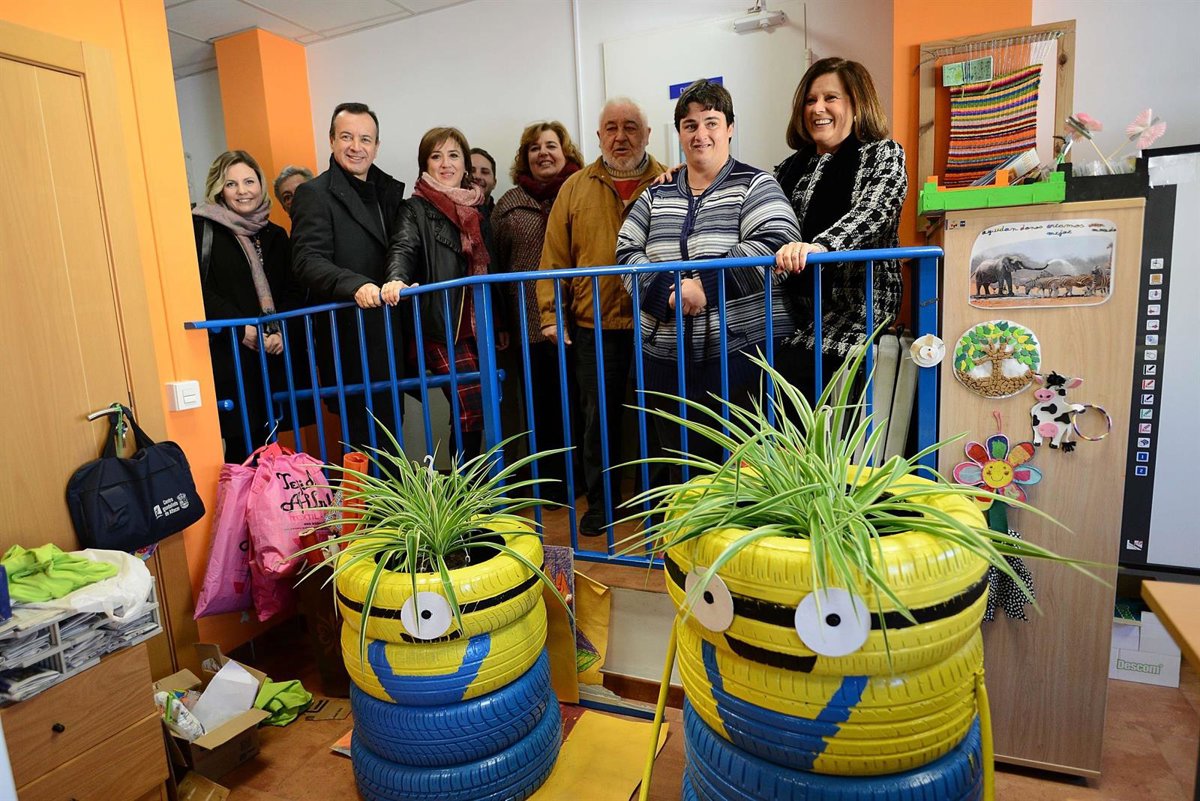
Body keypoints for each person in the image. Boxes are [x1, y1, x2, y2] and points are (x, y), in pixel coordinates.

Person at [616, 80, 800, 470]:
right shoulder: (655, 194)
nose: (701, 134)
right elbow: (626, 251)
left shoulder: (756, 184)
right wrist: (668, 292)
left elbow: (777, 240)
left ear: (730, 128)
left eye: (711, 123)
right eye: (690, 125)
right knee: (682, 474)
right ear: (679, 133)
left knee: (750, 478)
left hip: (746, 359)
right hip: (665, 361)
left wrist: (705, 287)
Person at [537, 99, 665, 535]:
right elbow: (553, 258)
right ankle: (602, 505)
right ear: (598, 137)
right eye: (611, 128)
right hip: (593, 326)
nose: (620, 136)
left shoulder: (670, 181)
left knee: (657, 417)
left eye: (631, 127)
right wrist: (551, 315)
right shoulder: (574, 188)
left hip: (655, 323)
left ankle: (657, 504)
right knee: (597, 422)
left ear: (647, 134)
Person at [772, 57, 908, 399]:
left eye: (830, 97)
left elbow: (875, 210)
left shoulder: (883, 154)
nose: (818, 108)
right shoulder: (788, 169)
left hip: (857, 308)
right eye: (810, 100)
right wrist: (693, 176)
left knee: (786, 376)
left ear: (857, 104)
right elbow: (757, 212)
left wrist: (822, 247)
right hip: (793, 308)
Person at [383, 127, 507, 461]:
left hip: (477, 326)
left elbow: (490, 268)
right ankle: (464, 483)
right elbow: (402, 248)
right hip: (439, 327)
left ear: (465, 164)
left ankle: (465, 482)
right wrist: (396, 279)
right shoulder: (414, 208)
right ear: (425, 165)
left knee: (479, 405)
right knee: (472, 401)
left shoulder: (477, 208)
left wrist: (499, 323)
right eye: (436, 156)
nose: (445, 164)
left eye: (453, 155)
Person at [291, 102, 407, 454]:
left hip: (391, 335)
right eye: (346, 137)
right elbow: (307, 260)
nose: (356, 147)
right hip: (351, 339)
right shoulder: (313, 193)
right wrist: (356, 285)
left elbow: (401, 250)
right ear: (331, 140)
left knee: (392, 434)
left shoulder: (388, 191)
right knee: (366, 442)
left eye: (365, 139)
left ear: (377, 146)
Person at [492, 122, 586, 505]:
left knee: (584, 402)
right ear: (524, 157)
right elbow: (495, 266)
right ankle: (552, 485)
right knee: (542, 406)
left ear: (566, 151)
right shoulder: (509, 204)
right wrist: (501, 321)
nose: (543, 153)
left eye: (551, 145)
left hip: (582, 318)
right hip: (529, 323)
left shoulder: (582, 190)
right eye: (534, 148)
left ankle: (587, 479)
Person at [193, 150, 300, 462]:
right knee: (241, 449)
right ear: (219, 189)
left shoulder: (275, 235)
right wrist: (243, 329)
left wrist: (280, 331)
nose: (243, 191)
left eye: (249, 182)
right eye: (232, 184)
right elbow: (197, 290)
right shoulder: (203, 228)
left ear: (261, 185)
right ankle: (241, 497)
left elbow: (293, 289)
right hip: (231, 356)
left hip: (272, 357)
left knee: (270, 443)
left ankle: (266, 496)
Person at [469, 147, 498, 220]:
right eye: (471, 171)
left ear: (494, 183)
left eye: (485, 172)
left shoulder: (503, 219)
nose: (477, 176)